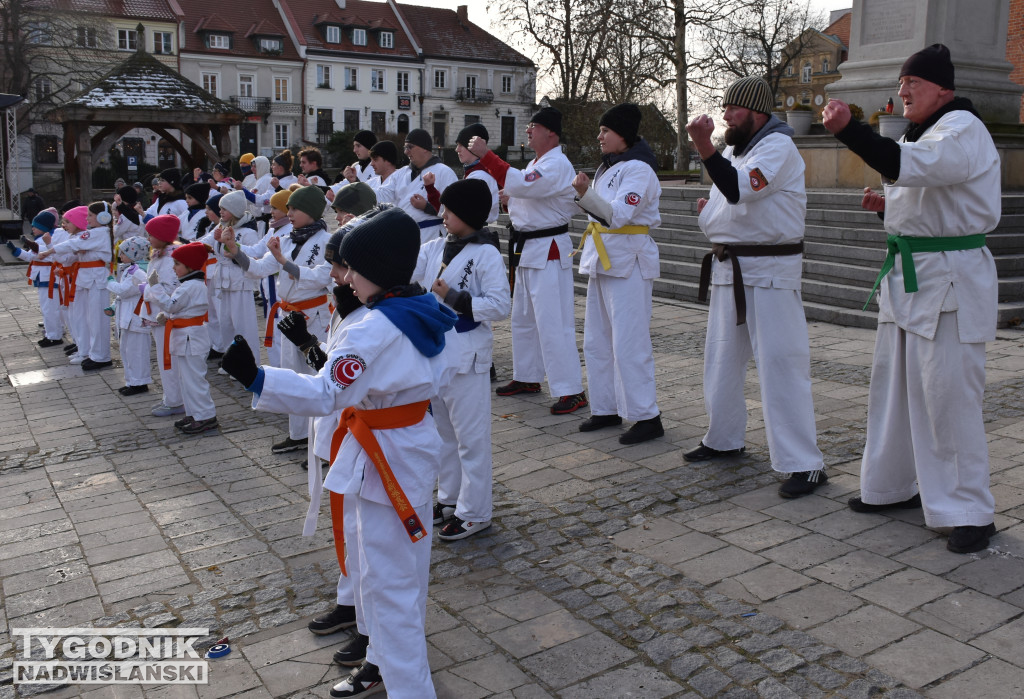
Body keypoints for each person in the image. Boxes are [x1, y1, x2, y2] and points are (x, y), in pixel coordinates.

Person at [219, 206, 458, 697]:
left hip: (384, 456)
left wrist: (256, 377)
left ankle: (411, 689)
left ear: (376, 268)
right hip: (406, 445)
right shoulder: (422, 311)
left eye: (351, 267)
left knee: (387, 583)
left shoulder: (372, 328)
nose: (344, 277)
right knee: (399, 574)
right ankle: (379, 663)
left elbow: (328, 394)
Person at [822, 44, 999, 552]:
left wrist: (849, 132)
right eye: (900, 86)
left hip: (949, 280)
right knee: (894, 389)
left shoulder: (963, 129)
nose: (901, 94)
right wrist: (888, 214)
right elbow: (926, 192)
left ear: (942, 89)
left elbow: (915, 167)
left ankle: (970, 510)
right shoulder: (926, 132)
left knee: (948, 396)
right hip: (911, 273)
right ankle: (891, 485)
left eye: (912, 86)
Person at [683, 76, 825, 497]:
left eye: (733, 109)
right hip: (731, 268)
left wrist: (704, 147)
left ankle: (805, 463)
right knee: (721, 361)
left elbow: (737, 193)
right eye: (725, 108)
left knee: (782, 366)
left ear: (757, 111)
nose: (725, 115)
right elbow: (715, 212)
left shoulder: (779, 147)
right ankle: (723, 438)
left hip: (770, 273)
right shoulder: (733, 150)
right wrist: (714, 207)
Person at [467, 107, 587, 415]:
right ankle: (528, 376)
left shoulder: (558, 163)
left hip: (548, 248)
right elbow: (525, 191)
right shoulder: (538, 163)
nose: (528, 131)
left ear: (551, 132)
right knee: (523, 318)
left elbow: (524, 185)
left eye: (534, 126)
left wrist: (487, 155)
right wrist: (511, 201)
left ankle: (571, 389)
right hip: (528, 248)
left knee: (553, 322)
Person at [413, 178, 510, 540]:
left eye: (449, 211)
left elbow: (501, 305)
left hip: (467, 354)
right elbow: (409, 275)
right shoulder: (435, 246)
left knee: (471, 438)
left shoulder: (485, 254)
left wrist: (455, 297)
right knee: (444, 435)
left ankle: (476, 510)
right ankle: (449, 497)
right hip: (436, 352)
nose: (442, 215)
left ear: (467, 215)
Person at [571, 103, 664, 444]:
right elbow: (599, 210)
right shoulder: (608, 168)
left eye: (605, 131)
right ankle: (606, 407)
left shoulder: (640, 170)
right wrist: (581, 195)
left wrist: (584, 194)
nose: (599, 136)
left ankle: (646, 415)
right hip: (603, 259)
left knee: (629, 342)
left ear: (622, 134)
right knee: (596, 341)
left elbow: (618, 215)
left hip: (629, 261)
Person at [224, 186, 332, 455]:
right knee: (291, 374)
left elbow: (322, 277)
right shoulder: (285, 239)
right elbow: (260, 268)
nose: (290, 213)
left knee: (314, 375)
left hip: (313, 317)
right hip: (287, 315)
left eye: (295, 209)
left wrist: (283, 261)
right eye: (289, 209)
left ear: (309, 211)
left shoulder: (327, 241)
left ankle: (322, 442)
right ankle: (297, 435)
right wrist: (234, 250)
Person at [37, 203, 113, 370]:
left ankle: (101, 356)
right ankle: (94, 353)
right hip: (87, 277)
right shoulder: (93, 233)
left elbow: (73, 245)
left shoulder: (100, 232)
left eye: (91, 215)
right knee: (89, 319)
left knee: (97, 319)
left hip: (96, 278)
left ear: (103, 217)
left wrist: (49, 251)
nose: (88, 219)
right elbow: (75, 247)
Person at [152, 241, 218, 434]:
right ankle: (194, 412)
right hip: (187, 337)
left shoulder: (190, 286)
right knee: (186, 379)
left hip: (191, 339)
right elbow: (182, 309)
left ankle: (206, 416)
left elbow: (171, 305)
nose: (174, 268)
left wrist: (155, 288)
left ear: (189, 266)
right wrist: (168, 318)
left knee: (194, 380)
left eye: (177, 264)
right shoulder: (191, 285)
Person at [201, 190, 261, 356]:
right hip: (223, 282)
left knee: (243, 326)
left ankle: (249, 364)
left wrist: (233, 253)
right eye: (220, 208)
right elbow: (203, 243)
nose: (220, 212)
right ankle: (231, 361)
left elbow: (254, 258)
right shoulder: (220, 228)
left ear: (234, 210)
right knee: (226, 325)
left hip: (240, 283)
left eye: (224, 209)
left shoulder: (248, 232)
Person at [376, 129, 458, 245]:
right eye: (405, 148)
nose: (406, 152)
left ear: (424, 148)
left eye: (410, 147)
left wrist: (426, 207)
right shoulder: (401, 173)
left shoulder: (444, 172)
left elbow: (455, 209)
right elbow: (382, 195)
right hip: (402, 236)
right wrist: (358, 191)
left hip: (431, 236)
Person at [144, 214, 185, 417]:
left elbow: (168, 290)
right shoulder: (159, 255)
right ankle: (172, 397)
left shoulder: (170, 260)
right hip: (156, 313)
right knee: (164, 358)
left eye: (152, 235)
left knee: (168, 358)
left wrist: (146, 290)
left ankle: (175, 400)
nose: (149, 238)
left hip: (164, 315)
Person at [6, 211, 63, 347]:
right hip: (42, 276)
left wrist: (34, 247)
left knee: (50, 308)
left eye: (35, 226)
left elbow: (45, 254)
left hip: (49, 277)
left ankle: (54, 336)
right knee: (48, 308)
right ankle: (51, 333)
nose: (32, 228)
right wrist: (16, 251)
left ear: (43, 227)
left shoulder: (49, 239)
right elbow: (31, 256)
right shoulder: (40, 239)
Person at [106, 235, 152, 395]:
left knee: (137, 352)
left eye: (123, 253)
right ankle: (132, 381)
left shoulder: (138, 273)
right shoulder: (130, 270)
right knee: (127, 351)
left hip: (136, 318)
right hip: (126, 317)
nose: (120, 256)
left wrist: (109, 282)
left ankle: (140, 382)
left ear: (134, 254)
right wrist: (113, 306)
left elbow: (123, 291)